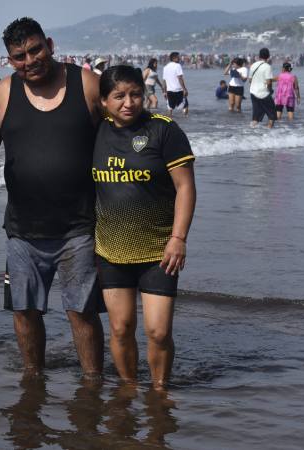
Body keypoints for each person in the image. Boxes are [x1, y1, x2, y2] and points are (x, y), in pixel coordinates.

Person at [0, 17, 105, 377]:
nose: (30, 60)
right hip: (22, 229)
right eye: (19, 56)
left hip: (80, 226)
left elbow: (121, 135)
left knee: (82, 312)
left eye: (35, 50)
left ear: (49, 44)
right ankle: (33, 378)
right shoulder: (4, 92)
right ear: (9, 60)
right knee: (24, 310)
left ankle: (92, 383)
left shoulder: (87, 83)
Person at [91, 65, 196, 390]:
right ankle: (128, 387)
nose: (128, 102)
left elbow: (185, 188)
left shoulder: (164, 130)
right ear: (104, 101)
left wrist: (178, 238)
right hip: (111, 250)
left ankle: (160, 390)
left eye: (135, 94)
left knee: (158, 331)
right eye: (119, 96)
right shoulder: (94, 131)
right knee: (121, 328)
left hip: (159, 251)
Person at [249, 48, 276, 128]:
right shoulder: (267, 67)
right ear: (268, 56)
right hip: (264, 93)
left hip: (253, 93)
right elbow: (268, 82)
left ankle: (252, 132)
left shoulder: (253, 65)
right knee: (272, 115)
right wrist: (270, 90)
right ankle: (269, 132)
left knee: (256, 116)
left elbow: (250, 80)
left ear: (259, 55)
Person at [161, 52, 188, 116]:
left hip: (169, 91)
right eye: (178, 57)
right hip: (178, 90)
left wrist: (164, 92)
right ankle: (185, 120)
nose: (180, 58)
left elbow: (164, 81)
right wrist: (184, 89)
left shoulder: (165, 67)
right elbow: (180, 78)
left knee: (170, 109)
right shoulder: (177, 65)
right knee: (185, 106)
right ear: (174, 58)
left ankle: (169, 123)